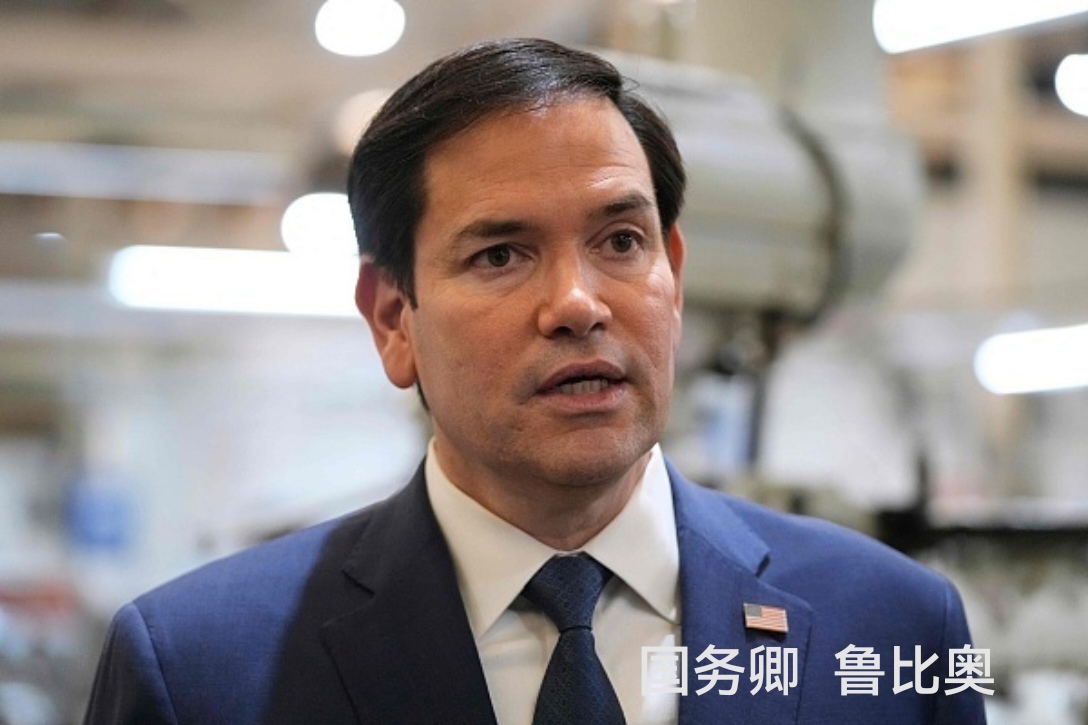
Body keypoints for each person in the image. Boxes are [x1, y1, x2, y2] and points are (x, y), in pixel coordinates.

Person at [83, 38, 987, 724]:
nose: (578, 304)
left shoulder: (892, 628)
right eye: (501, 254)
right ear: (393, 317)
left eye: (621, 241)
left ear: (674, 278)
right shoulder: (202, 671)